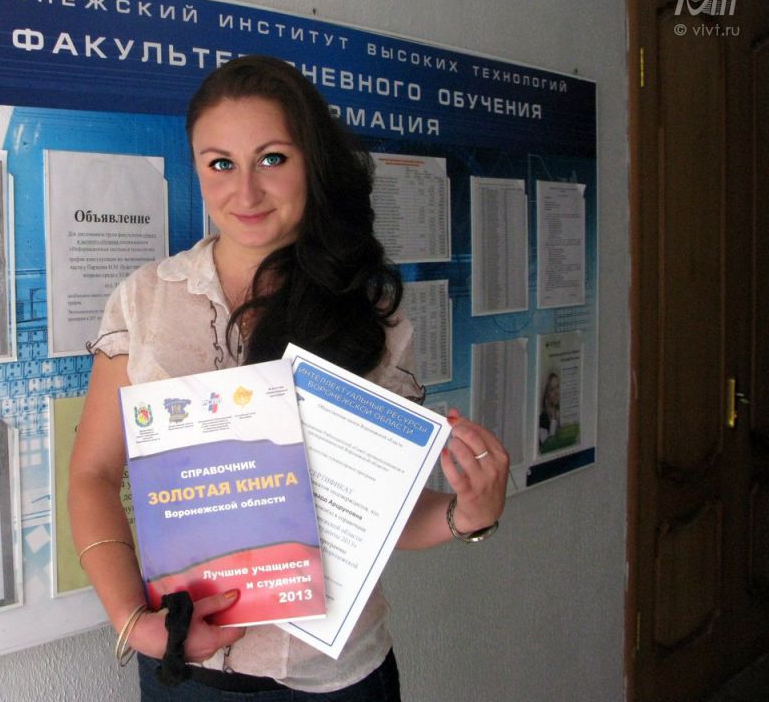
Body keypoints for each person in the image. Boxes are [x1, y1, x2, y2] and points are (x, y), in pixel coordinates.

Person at [68, 55, 509, 701]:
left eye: (271, 158)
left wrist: (467, 515)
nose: (245, 192)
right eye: (221, 164)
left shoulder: (369, 313)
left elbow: (379, 514)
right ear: (197, 168)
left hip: (336, 675)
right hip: (189, 668)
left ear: (313, 162)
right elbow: (92, 474)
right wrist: (132, 621)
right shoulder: (144, 300)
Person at [539, 372, 561, 447]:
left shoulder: (561, 412)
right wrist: (553, 420)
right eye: (552, 389)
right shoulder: (542, 419)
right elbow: (547, 446)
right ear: (546, 394)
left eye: (558, 386)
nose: (556, 392)